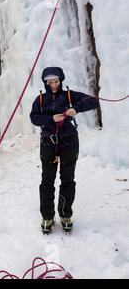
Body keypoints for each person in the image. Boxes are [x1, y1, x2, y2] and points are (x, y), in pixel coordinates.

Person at [30, 67, 99, 234]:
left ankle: (65, 215)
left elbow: (93, 101)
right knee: (47, 180)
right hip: (48, 142)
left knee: (68, 179)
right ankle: (47, 216)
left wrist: (76, 109)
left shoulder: (70, 95)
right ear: (45, 83)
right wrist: (50, 119)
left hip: (69, 141)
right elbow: (34, 117)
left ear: (60, 80)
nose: (53, 85)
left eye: (56, 82)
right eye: (50, 82)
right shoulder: (40, 99)